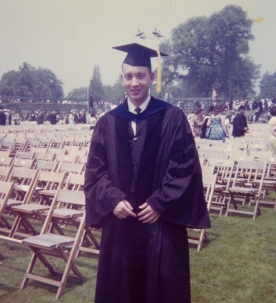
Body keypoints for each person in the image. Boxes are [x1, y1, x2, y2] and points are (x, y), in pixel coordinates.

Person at [84, 43, 210, 303]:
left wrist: (159, 203)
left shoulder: (172, 117)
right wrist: (111, 200)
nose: (135, 82)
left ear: (151, 78)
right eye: (129, 76)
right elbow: (95, 172)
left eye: (141, 75)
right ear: (121, 79)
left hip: (160, 227)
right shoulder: (107, 122)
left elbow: (185, 169)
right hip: (120, 226)